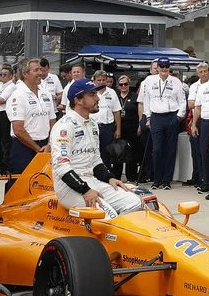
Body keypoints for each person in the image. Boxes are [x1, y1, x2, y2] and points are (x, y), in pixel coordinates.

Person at [50, 79, 142, 216]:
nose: (98, 98)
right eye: (92, 95)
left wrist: (110, 178)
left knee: (136, 202)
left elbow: (95, 160)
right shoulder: (64, 126)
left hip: (92, 181)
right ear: (78, 100)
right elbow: (61, 167)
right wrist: (85, 190)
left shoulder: (93, 124)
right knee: (109, 214)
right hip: (69, 188)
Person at [140, 57, 188, 189]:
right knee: (157, 149)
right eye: (161, 66)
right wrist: (148, 117)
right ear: (158, 68)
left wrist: (179, 116)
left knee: (170, 149)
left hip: (171, 116)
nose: (164, 69)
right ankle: (157, 179)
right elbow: (147, 100)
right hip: (156, 117)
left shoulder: (176, 81)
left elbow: (182, 100)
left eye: (166, 67)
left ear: (169, 68)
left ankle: (166, 180)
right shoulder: (149, 81)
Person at [6, 58, 53, 175]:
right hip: (24, 148)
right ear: (25, 73)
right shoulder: (17, 96)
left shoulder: (45, 93)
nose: (40, 73)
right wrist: (37, 149)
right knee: (20, 187)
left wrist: (49, 144)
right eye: (36, 70)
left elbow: (52, 121)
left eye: (41, 70)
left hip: (46, 146)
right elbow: (18, 130)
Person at [187, 62, 209, 191]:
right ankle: (207, 182)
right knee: (204, 153)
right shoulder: (201, 87)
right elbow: (197, 106)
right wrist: (194, 124)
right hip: (205, 121)